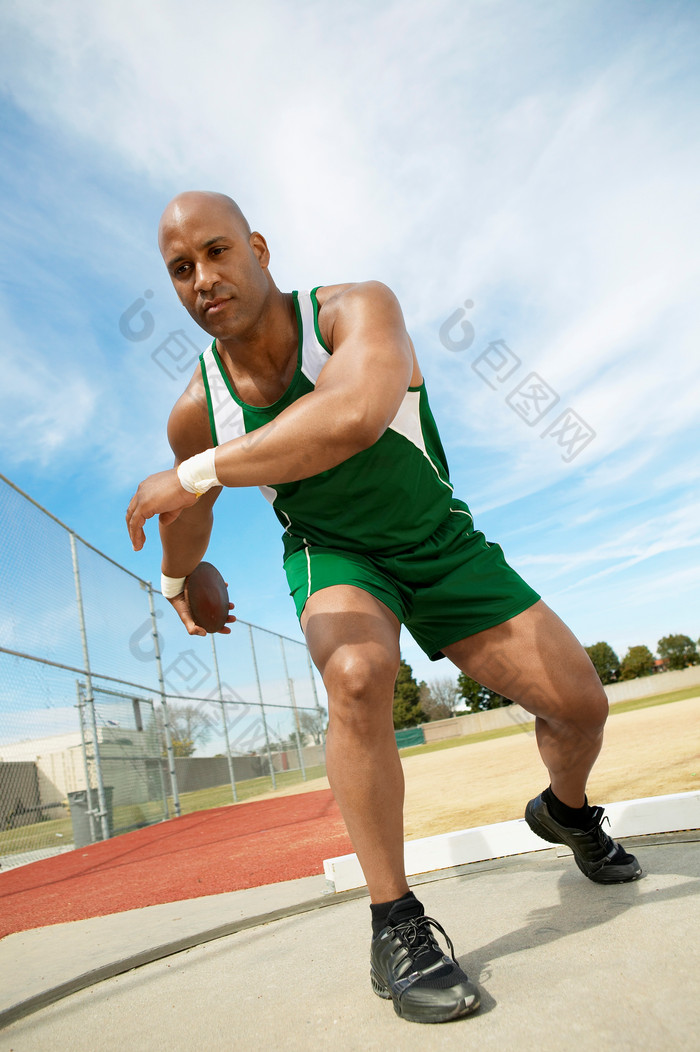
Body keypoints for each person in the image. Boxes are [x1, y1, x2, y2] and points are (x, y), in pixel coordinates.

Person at [126, 191, 642, 1025]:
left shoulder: (354, 309)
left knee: (581, 708)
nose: (203, 279)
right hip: (337, 555)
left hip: (441, 544)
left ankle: (567, 813)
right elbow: (188, 520)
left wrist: (190, 477)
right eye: (181, 269)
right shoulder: (199, 407)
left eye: (218, 252)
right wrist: (179, 582)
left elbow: (355, 415)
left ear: (258, 247)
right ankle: (395, 924)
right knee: (359, 676)